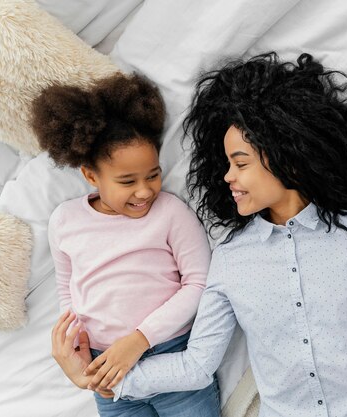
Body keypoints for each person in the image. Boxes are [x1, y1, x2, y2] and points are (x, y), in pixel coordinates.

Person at [53, 53, 347, 417]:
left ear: (285, 154)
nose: (227, 176)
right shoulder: (230, 259)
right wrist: (101, 383)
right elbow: (196, 367)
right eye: (225, 164)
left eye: (239, 162)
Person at [33, 73, 220, 417]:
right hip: (105, 367)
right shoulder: (64, 220)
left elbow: (201, 283)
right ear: (91, 175)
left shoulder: (170, 211)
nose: (145, 190)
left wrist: (140, 339)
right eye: (127, 181)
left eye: (153, 174)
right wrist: (75, 342)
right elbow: (68, 290)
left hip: (172, 355)